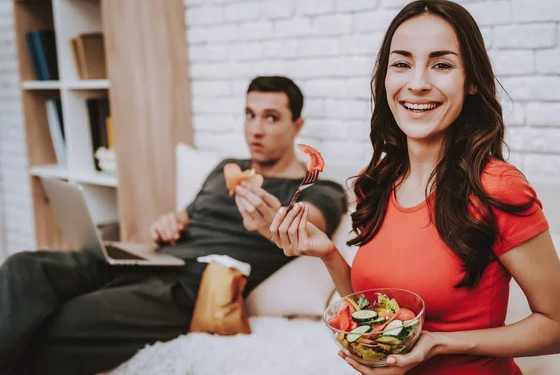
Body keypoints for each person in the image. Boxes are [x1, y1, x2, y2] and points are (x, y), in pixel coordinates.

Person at [270, 0, 560, 375]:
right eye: (401, 63)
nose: (417, 84)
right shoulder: (379, 180)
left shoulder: (497, 187)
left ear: (471, 84)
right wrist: (328, 253)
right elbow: (377, 310)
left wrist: (438, 343)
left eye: (442, 65)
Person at [0, 76, 347, 375]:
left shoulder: (320, 190)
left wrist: (272, 222)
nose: (256, 128)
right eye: (250, 115)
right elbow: (187, 214)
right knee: (25, 266)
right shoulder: (225, 167)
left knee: (63, 322)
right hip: (150, 259)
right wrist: (169, 222)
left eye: (271, 118)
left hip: (185, 289)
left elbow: (308, 225)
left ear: (297, 125)